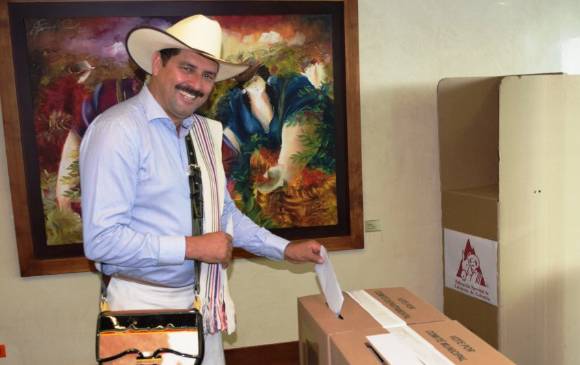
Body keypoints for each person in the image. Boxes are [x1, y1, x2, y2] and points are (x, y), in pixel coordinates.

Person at [79, 14, 324, 365]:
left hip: (203, 303)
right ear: (157, 62)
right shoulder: (117, 131)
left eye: (208, 75)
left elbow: (222, 215)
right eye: (187, 68)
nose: (196, 84)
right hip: (144, 310)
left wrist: (285, 249)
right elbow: (102, 241)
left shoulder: (203, 133)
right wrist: (193, 247)